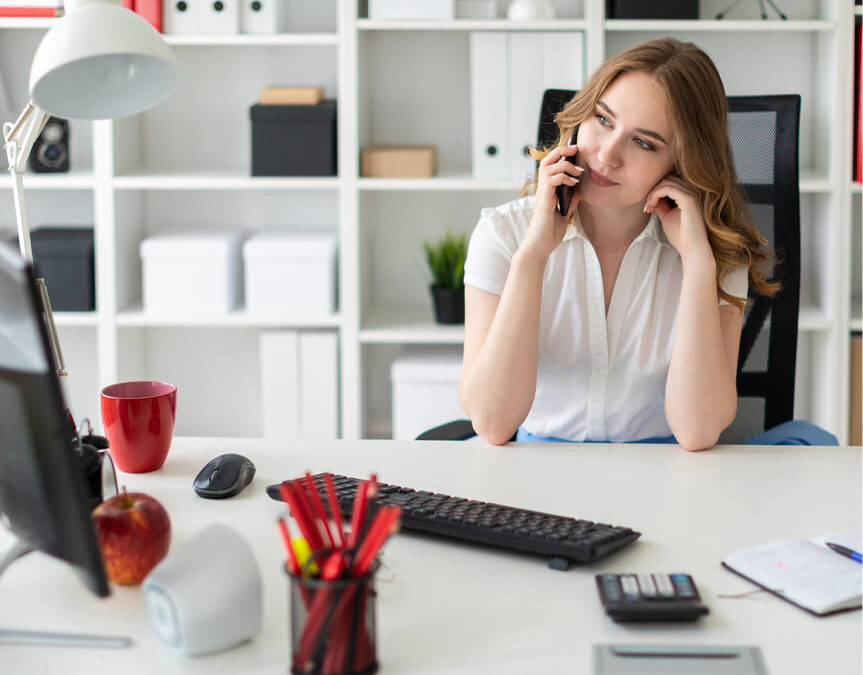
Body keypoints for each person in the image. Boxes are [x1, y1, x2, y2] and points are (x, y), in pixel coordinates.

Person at [459, 37, 778, 451]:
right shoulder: (504, 234)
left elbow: (697, 430)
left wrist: (698, 263)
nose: (607, 155)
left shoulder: (713, 252)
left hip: (661, 478)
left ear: (682, 163)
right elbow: (492, 422)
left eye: (644, 143)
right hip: (536, 474)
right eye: (603, 120)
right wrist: (535, 253)